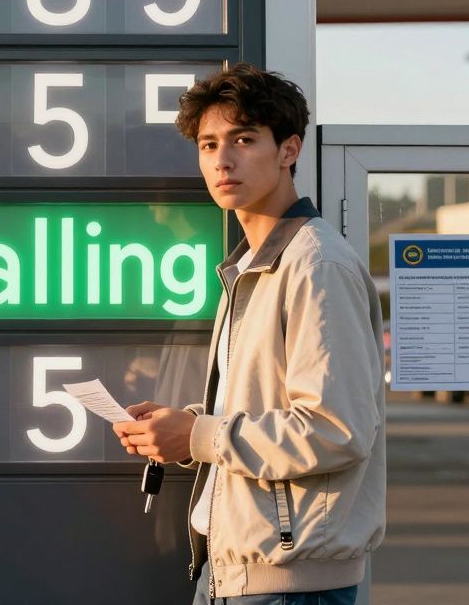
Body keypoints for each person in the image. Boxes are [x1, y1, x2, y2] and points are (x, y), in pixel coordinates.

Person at [113, 63, 385, 604]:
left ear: (289, 150)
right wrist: (186, 427)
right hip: (234, 572)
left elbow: (336, 430)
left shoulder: (315, 266)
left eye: (243, 139)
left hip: (287, 585)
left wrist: (198, 437)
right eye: (208, 144)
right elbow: (268, 405)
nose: (222, 160)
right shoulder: (252, 268)